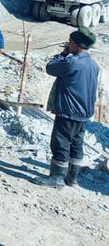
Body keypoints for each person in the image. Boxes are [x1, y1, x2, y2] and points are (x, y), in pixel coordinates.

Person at [38, 27, 99, 188]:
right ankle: (72, 179)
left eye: (70, 42)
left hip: (69, 111)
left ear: (78, 45)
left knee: (60, 143)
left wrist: (63, 54)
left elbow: (50, 67)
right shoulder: (93, 64)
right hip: (84, 113)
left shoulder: (72, 62)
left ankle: (57, 178)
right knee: (76, 145)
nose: (68, 44)